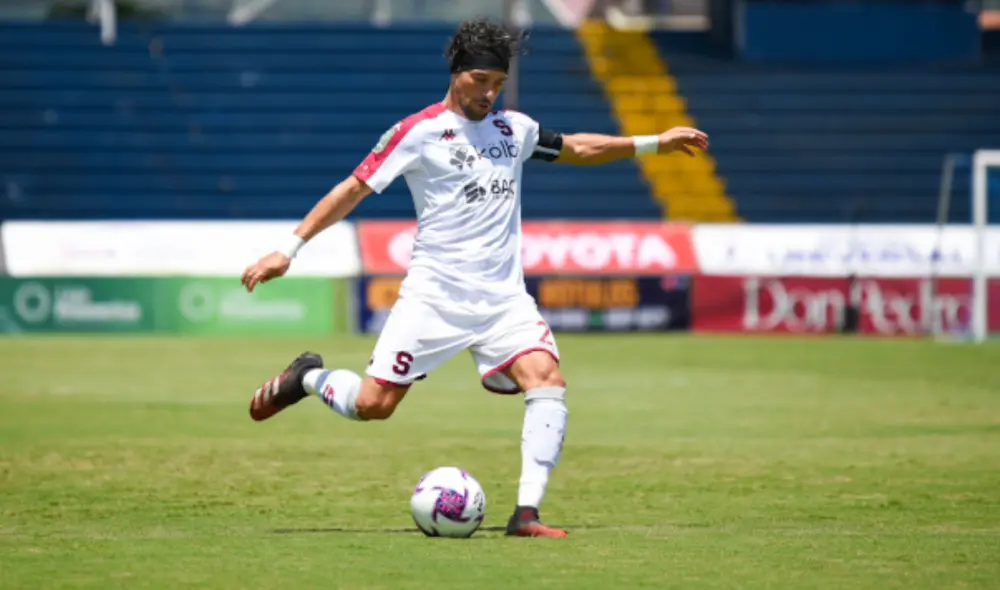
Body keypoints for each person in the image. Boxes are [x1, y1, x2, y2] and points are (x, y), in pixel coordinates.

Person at [240, 18, 709, 538]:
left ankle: (526, 514)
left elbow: (578, 147)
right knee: (373, 406)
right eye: (481, 80)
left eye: (498, 83)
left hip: (504, 301)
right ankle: (307, 377)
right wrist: (289, 249)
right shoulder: (417, 133)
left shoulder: (515, 129)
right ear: (458, 74)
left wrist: (654, 143)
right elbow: (351, 190)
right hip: (434, 299)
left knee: (547, 381)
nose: (489, 93)